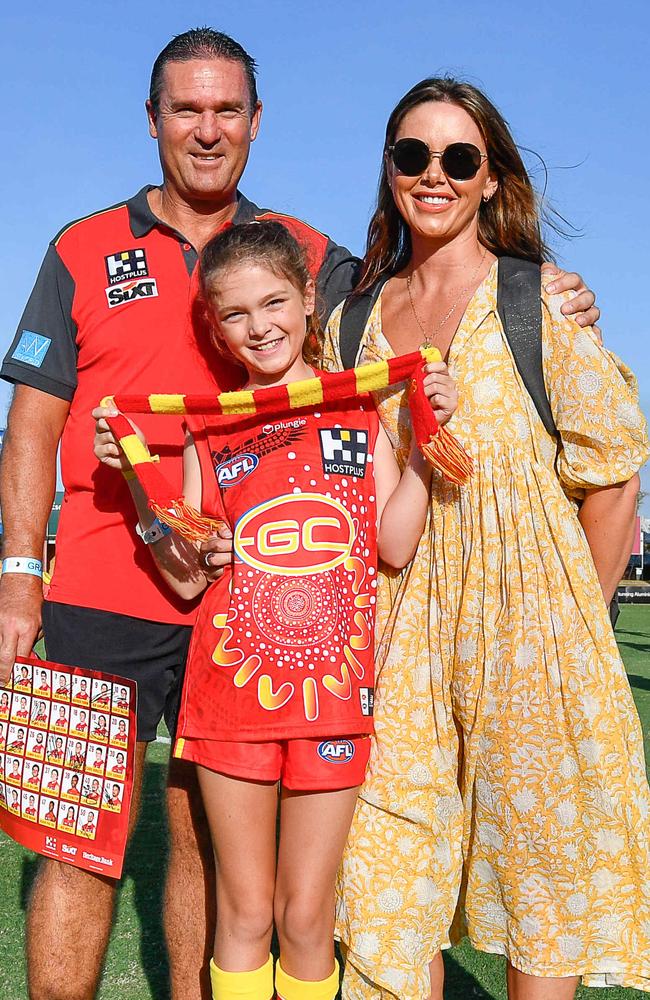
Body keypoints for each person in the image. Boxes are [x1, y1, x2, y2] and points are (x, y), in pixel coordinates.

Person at [0, 25, 597, 1000]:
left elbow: (410, 314)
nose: (205, 129)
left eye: (225, 109)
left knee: (203, 838)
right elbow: (30, 428)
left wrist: (538, 291)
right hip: (101, 587)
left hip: (255, 598)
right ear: (152, 120)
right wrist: (20, 578)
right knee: (72, 836)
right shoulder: (80, 247)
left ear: (255, 121)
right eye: (185, 109)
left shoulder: (311, 257)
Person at [322, 77, 650, 999]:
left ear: (489, 177)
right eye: (412, 155)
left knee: (539, 892)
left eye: (458, 158)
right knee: (386, 880)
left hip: (536, 636)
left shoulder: (538, 301)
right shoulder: (348, 322)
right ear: (389, 170)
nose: (434, 175)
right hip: (397, 632)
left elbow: (614, 474)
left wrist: (572, 633)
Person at [93, 219, 456, 1000]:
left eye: (274, 303)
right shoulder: (210, 427)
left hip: (332, 701)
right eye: (236, 313)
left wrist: (428, 444)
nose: (260, 326)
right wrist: (134, 477)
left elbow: (393, 544)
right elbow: (187, 578)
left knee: (304, 916)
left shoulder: (358, 412)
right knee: (246, 911)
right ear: (216, 328)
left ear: (304, 299)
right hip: (229, 703)